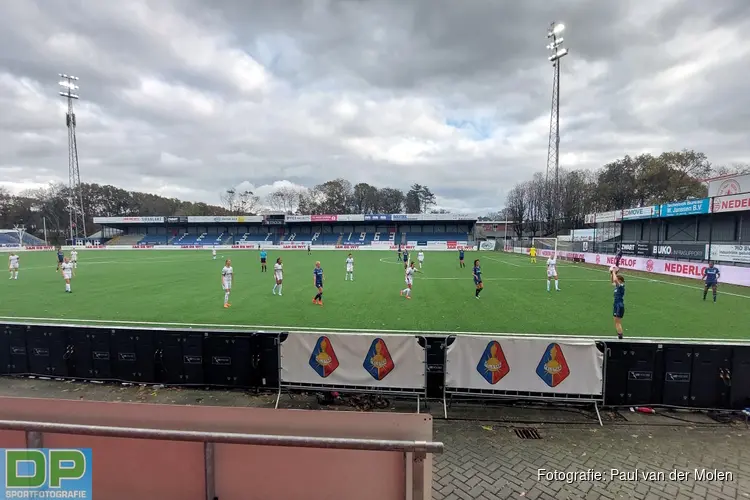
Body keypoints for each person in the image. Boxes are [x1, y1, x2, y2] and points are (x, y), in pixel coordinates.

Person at [611, 270, 625, 339]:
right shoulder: (617, 286)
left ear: (620, 280)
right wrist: (612, 273)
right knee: (616, 321)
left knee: (618, 322)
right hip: (616, 305)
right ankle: (619, 334)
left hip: (619, 305)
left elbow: (615, 280)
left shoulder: (621, 286)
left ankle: (620, 336)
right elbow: (612, 281)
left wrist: (613, 272)